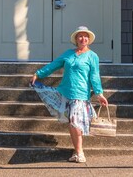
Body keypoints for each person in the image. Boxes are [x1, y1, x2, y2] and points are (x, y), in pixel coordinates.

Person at [30, 25, 109, 163]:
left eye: (85, 36)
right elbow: (54, 65)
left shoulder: (92, 56)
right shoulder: (68, 53)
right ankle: (77, 150)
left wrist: (99, 93)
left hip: (80, 95)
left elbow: (94, 76)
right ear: (76, 39)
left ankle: (80, 152)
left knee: (74, 123)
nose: (83, 38)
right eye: (80, 36)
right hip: (65, 92)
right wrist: (38, 73)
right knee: (72, 123)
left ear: (89, 39)